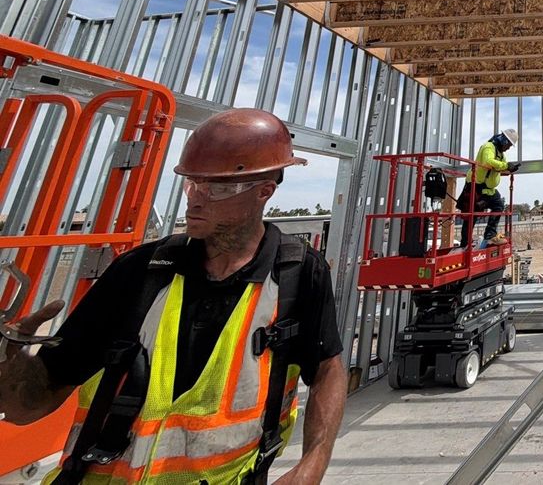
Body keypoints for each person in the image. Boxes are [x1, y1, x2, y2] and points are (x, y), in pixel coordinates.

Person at [0, 108, 347, 485]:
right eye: (191, 183)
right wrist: (10, 366)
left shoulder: (297, 275)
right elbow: (30, 405)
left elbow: (327, 368)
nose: (195, 199)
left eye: (216, 187)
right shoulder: (138, 274)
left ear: (264, 191)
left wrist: (313, 462)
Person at [460, 128, 519, 248]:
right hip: (475, 187)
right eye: (508, 145)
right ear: (504, 141)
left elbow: (499, 167)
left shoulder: (500, 154)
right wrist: (506, 165)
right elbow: (488, 162)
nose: (508, 148)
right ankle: (465, 243)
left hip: (487, 189)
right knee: (472, 215)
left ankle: (490, 235)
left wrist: (509, 169)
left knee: (498, 205)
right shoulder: (488, 147)